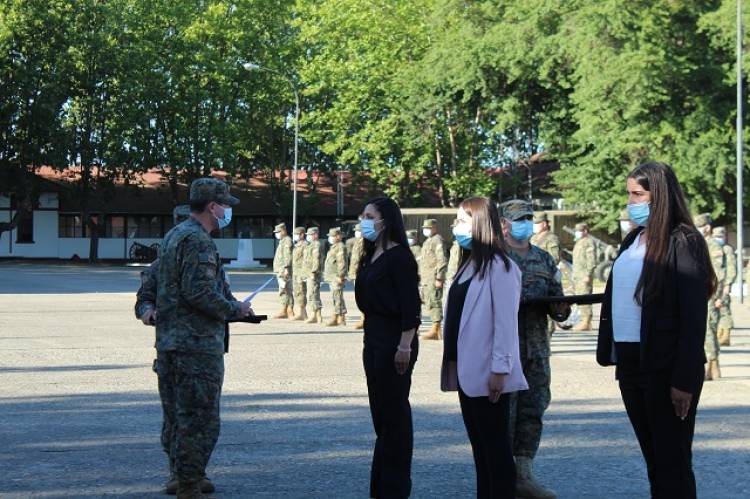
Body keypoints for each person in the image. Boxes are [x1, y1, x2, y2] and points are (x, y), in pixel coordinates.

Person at [597, 162, 717, 499]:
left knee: (673, 462)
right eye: (629, 194)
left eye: (638, 194)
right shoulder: (633, 239)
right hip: (631, 362)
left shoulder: (684, 240)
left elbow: (693, 315)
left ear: (659, 196)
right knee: (654, 461)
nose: (631, 202)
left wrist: (683, 378)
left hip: (667, 367)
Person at [155, 178, 254, 498]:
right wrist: (234, 309)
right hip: (195, 346)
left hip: (172, 342)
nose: (228, 212)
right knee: (200, 418)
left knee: (178, 415)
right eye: (225, 205)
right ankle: (188, 484)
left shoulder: (175, 235)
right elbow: (198, 292)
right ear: (213, 206)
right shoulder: (196, 240)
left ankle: (183, 475)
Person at [440, 196, 527, 499]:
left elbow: (505, 324)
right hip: (467, 370)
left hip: (489, 374)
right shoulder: (468, 265)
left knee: (496, 451)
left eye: (462, 221)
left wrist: (501, 369)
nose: (456, 227)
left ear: (479, 224)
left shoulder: (500, 267)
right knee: (480, 451)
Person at [136, 205, 222, 495]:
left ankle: (193, 473)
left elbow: (219, 293)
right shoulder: (163, 264)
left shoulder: (206, 259)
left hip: (192, 344)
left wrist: (236, 308)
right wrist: (148, 312)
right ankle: (182, 476)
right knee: (185, 417)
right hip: (180, 347)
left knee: (191, 415)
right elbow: (143, 298)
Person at [499, 199, 570, 499]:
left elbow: (559, 304)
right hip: (505, 350)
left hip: (537, 350)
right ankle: (500, 475)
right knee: (504, 414)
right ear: (503, 223)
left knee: (534, 410)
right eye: (518, 218)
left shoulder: (544, 259)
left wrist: (562, 309)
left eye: (528, 218)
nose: (525, 223)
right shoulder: (495, 258)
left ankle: (523, 474)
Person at [355, 196, 422, 499]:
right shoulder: (371, 254)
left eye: (370, 215)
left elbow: (411, 307)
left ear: (386, 220)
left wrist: (405, 346)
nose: (364, 220)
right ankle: (380, 485)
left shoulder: (400, 257)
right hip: (373, 338)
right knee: (380, 414)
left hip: (396, 340)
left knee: (394, 414)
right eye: (364, 215)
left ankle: (395, 488)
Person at [694, 214, 725, 380]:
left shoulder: (712, 245)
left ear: (707, 227)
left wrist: (718, 296)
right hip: (702, 294)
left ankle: (712, 367)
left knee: (708, 331)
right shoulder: (700, 243)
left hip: (710, 295)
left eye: (701, 226)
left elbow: (718, 274)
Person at [420, 218, 447, 340]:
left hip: (433, 277)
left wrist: (439, 277)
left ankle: (436, 329)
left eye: (428, 228)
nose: (426, 230)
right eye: (425, 228)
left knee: (434, 301)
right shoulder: (428, 241)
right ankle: (434, 327)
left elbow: (442, 260)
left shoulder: (437, 240)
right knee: (429, 301)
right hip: (426, 277)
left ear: (434, 228)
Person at [712, 226, 736, 346]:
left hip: (724, 284)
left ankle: (725, 335)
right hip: (717, 284)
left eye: (720, 237)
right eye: (716, 237)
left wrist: (728, 284)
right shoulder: (715, 248)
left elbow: (731, 268)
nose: (719, 239)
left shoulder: (727, 249)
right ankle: (720, 333)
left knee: (724, 309)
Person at [571, 222, 596, 331]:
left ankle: (586, 322)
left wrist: (588, 274)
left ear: (585, 231)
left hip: (584, 275)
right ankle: (584, 321)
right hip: (578, 275)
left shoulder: (588, 242)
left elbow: (591, 260)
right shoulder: (579, 242)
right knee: (580, 298)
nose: (577, 232)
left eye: (580, 230)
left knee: (584, 298)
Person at [324, 227, 348, 326]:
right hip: (332, 276)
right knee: (336, 296)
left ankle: (337, 317)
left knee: (337, 296)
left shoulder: (340, 247)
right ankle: (340, 318)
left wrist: (340, 275)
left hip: (336, 276)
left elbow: (341, 262)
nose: (331, 238)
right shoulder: (334, 246)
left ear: (338, 236)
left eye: (332, 236)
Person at [272, 223, 295, 319]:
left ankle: (289, 310)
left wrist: (286, 268)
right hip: (280, 271)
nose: (277, 234)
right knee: (283, 290)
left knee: (286, 290)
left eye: (278, 232)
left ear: (283, 231)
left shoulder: (287, 241)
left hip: (284, 271)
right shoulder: (282, 241)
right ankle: (284, 309)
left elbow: (287, 255)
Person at [304, 227, 325, 324]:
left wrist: (313, 272)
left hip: (313, 274)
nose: (308, 236)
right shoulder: (311, 245)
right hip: (309, 273)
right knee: (311, 294)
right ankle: (315, 315)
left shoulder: (316, 245)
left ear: (315, 235)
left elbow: (316, 260)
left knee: (314, 294)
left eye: (310, 235)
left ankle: (317, 315)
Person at [347, 223, 366, 329]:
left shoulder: (367, 243)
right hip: (357, 273)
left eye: (359, 230)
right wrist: (352, 273)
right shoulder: (357, 242)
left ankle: (365, 319)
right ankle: (363, 318)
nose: (357, 232)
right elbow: (354, 260)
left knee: (365, 297)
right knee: (360, 297)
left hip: (363, 273)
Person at [292, 227, 309, 321]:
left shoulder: (305, 245)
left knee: (301, 292)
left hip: (301, 273)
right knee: (297, 292)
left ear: (302, 234)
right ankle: (301, 312)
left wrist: (304, 273)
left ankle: (303, 313)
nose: (295, 236)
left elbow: (306, 260)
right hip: (296, 272)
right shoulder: (297, 245)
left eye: (296, 234)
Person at [445, 219, 461, 289]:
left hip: (456, 277)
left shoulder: (463, 244)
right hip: (451, 276)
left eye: (456, 227)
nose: (454, 229)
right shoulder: (455, 244)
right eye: (454, 227)